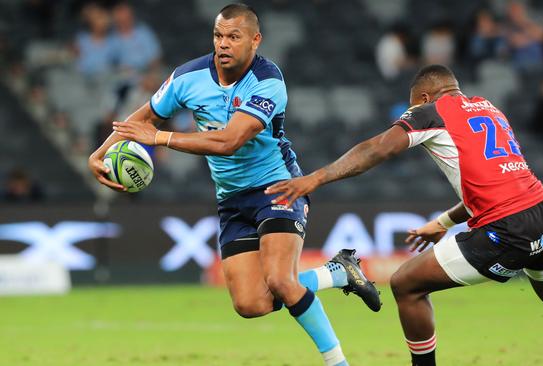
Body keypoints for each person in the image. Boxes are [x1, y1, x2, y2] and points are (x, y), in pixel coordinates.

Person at [265, 64, 543, 365]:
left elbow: (377, 148)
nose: (411, 112)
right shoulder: (489, 109)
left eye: (414, 104)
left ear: (426, 95)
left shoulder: (433, 112)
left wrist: (316, 177)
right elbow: (493, 180)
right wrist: (444, 223)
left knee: (406, 284)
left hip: (507, 226)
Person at [87, 4, 380, 366]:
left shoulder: (268, 81)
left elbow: (229, 141)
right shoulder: (187, 77)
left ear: (255, 40)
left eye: (233, 37)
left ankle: (339, 363)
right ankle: (337, 272)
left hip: (278, 187)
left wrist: (161, 138)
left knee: (280, 280)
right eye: (218, 36)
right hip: (231, 199)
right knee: (250, 304)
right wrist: (99, 153)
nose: (223, 44)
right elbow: (146, 114)